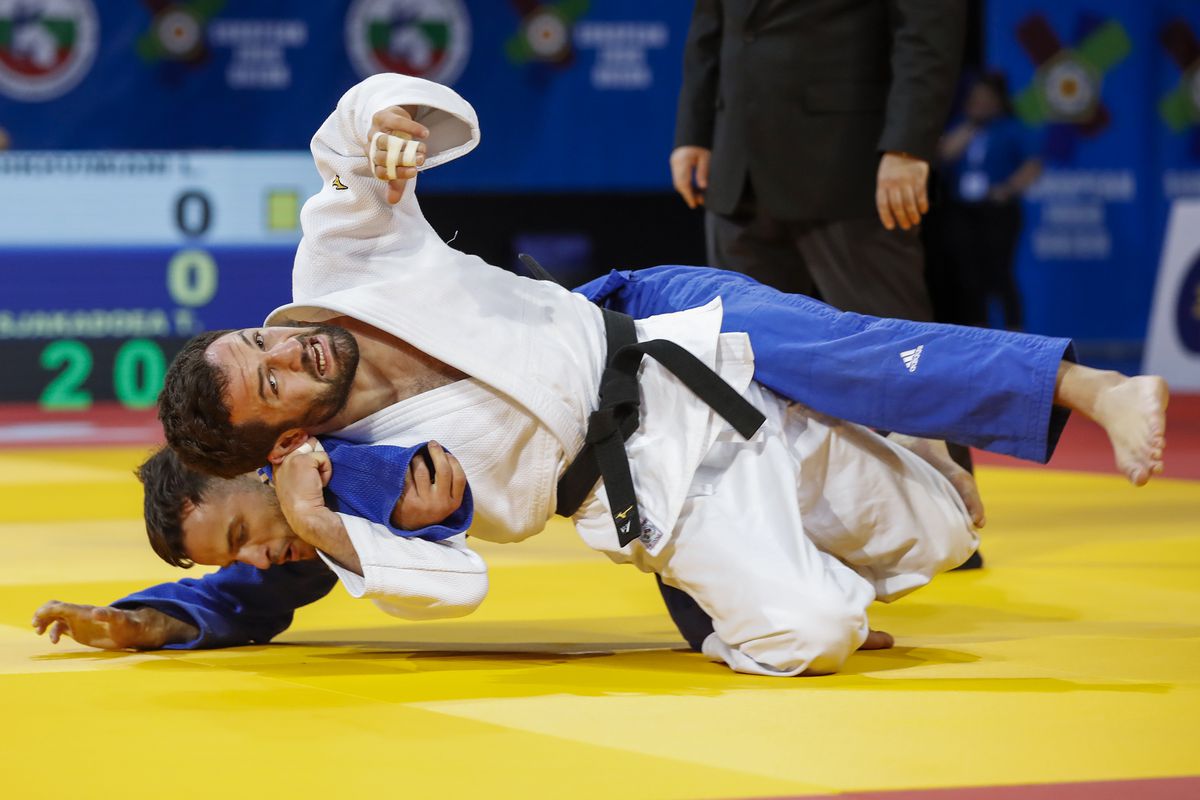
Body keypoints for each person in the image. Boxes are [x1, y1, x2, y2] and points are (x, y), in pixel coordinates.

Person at [150, 74, 1166, 677]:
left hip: (667, 339)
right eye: (274, 380)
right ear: (285, 440)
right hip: (659, 491)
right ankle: (787, 556)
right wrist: (335, 532)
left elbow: (349, 139)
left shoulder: (335, 272)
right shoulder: (359, 479)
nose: (291, 350)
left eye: (261, 339)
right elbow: (452, 588)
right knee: (863, 593)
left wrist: (393, 120)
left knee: (851, 350)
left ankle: (1090, 388)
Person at [33, 442, 483, 650]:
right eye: (235, 556)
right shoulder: (291, 532)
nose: (256, 559)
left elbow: (464, 585)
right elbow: (234, 595)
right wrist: (148, 624)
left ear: (256, 467)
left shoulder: (340, 454)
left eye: (240, 535)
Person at [932, 72, 1044, 330]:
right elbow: (945, 153)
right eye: (975, 99)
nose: (979, 103)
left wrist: (1008, 189)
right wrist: (970, 125)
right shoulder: (963, 126)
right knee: (968, 275)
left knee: (1000, 274)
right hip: (963, 210)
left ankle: (1015, 333)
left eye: (985, 99)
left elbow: (1033, 164)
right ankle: (977, 332)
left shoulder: (1011, 128)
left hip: (997, 210)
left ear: (998, 101)